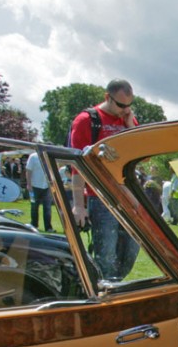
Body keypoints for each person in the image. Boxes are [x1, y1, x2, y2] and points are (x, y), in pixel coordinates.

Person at [69, 79, 140, 280]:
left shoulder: (128, 120)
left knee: (132, 248)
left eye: (129, 105)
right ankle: (104, 291)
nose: (125, 110)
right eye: (121, 105)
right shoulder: (86, 120)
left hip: (128, 196)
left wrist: (128, 126)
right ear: (107, 97)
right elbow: (77, 165)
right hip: (100, 197)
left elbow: (141, 155)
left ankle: (112, 284)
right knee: (106, 255)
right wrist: (79, 205)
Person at [25, 151, 53, 231]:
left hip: (46, 186)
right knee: (34, 206)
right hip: (34, 185)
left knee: (47, 208)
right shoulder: (33, 157)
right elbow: (28, 171)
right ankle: (34, 225)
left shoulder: (50, 157)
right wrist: (29, 184)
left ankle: (48, 227)